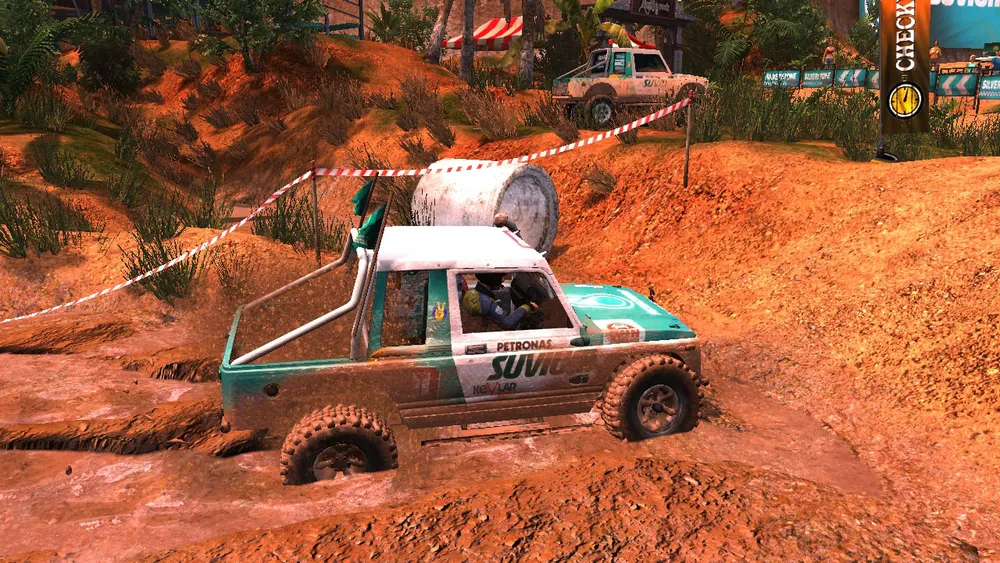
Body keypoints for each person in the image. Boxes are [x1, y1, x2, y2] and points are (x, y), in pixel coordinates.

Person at [461, 273, 537, 331]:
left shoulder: (472, 293)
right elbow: (508, 323)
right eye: (501, 277)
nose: (503, 280)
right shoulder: (486, 302)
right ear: (492, 278)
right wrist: (528, 306)